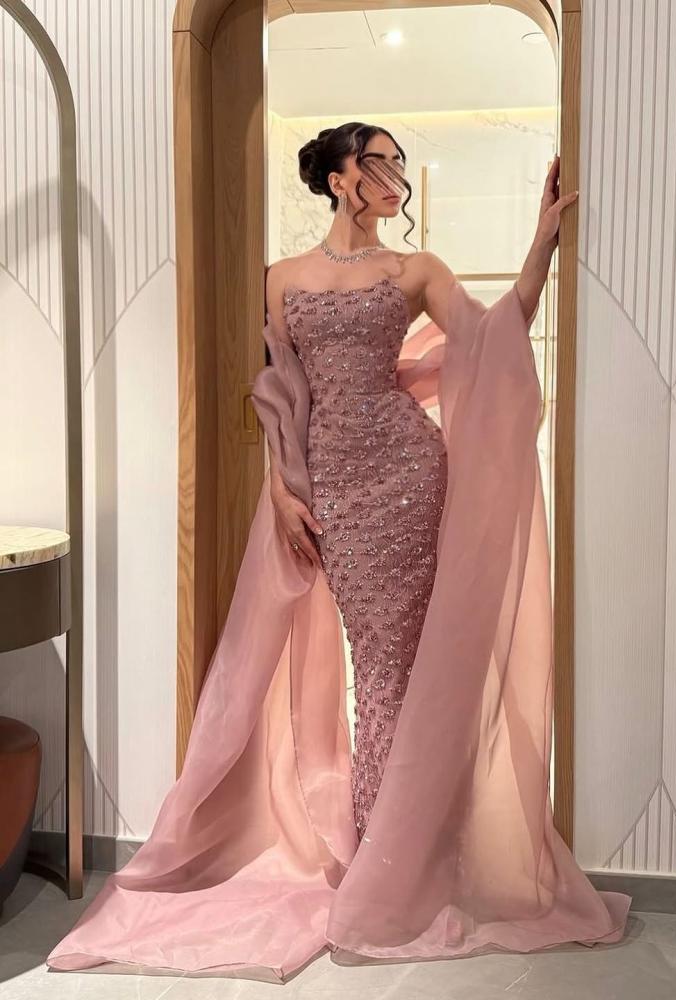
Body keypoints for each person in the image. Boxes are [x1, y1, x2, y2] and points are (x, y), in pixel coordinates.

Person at [46, 123, 631, 983]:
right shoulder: (280, 278)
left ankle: (393, 866)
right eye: (378, 160)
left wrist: (540, 244)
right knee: (377, 665)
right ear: (338, 178)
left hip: (410, 475)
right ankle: (389, 855)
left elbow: (495, 336)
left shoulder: (416, 270)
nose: (394, 174)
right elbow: (280, 395)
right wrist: (284, 491)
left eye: (399, 162)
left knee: (401, 669)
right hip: (334, 492)